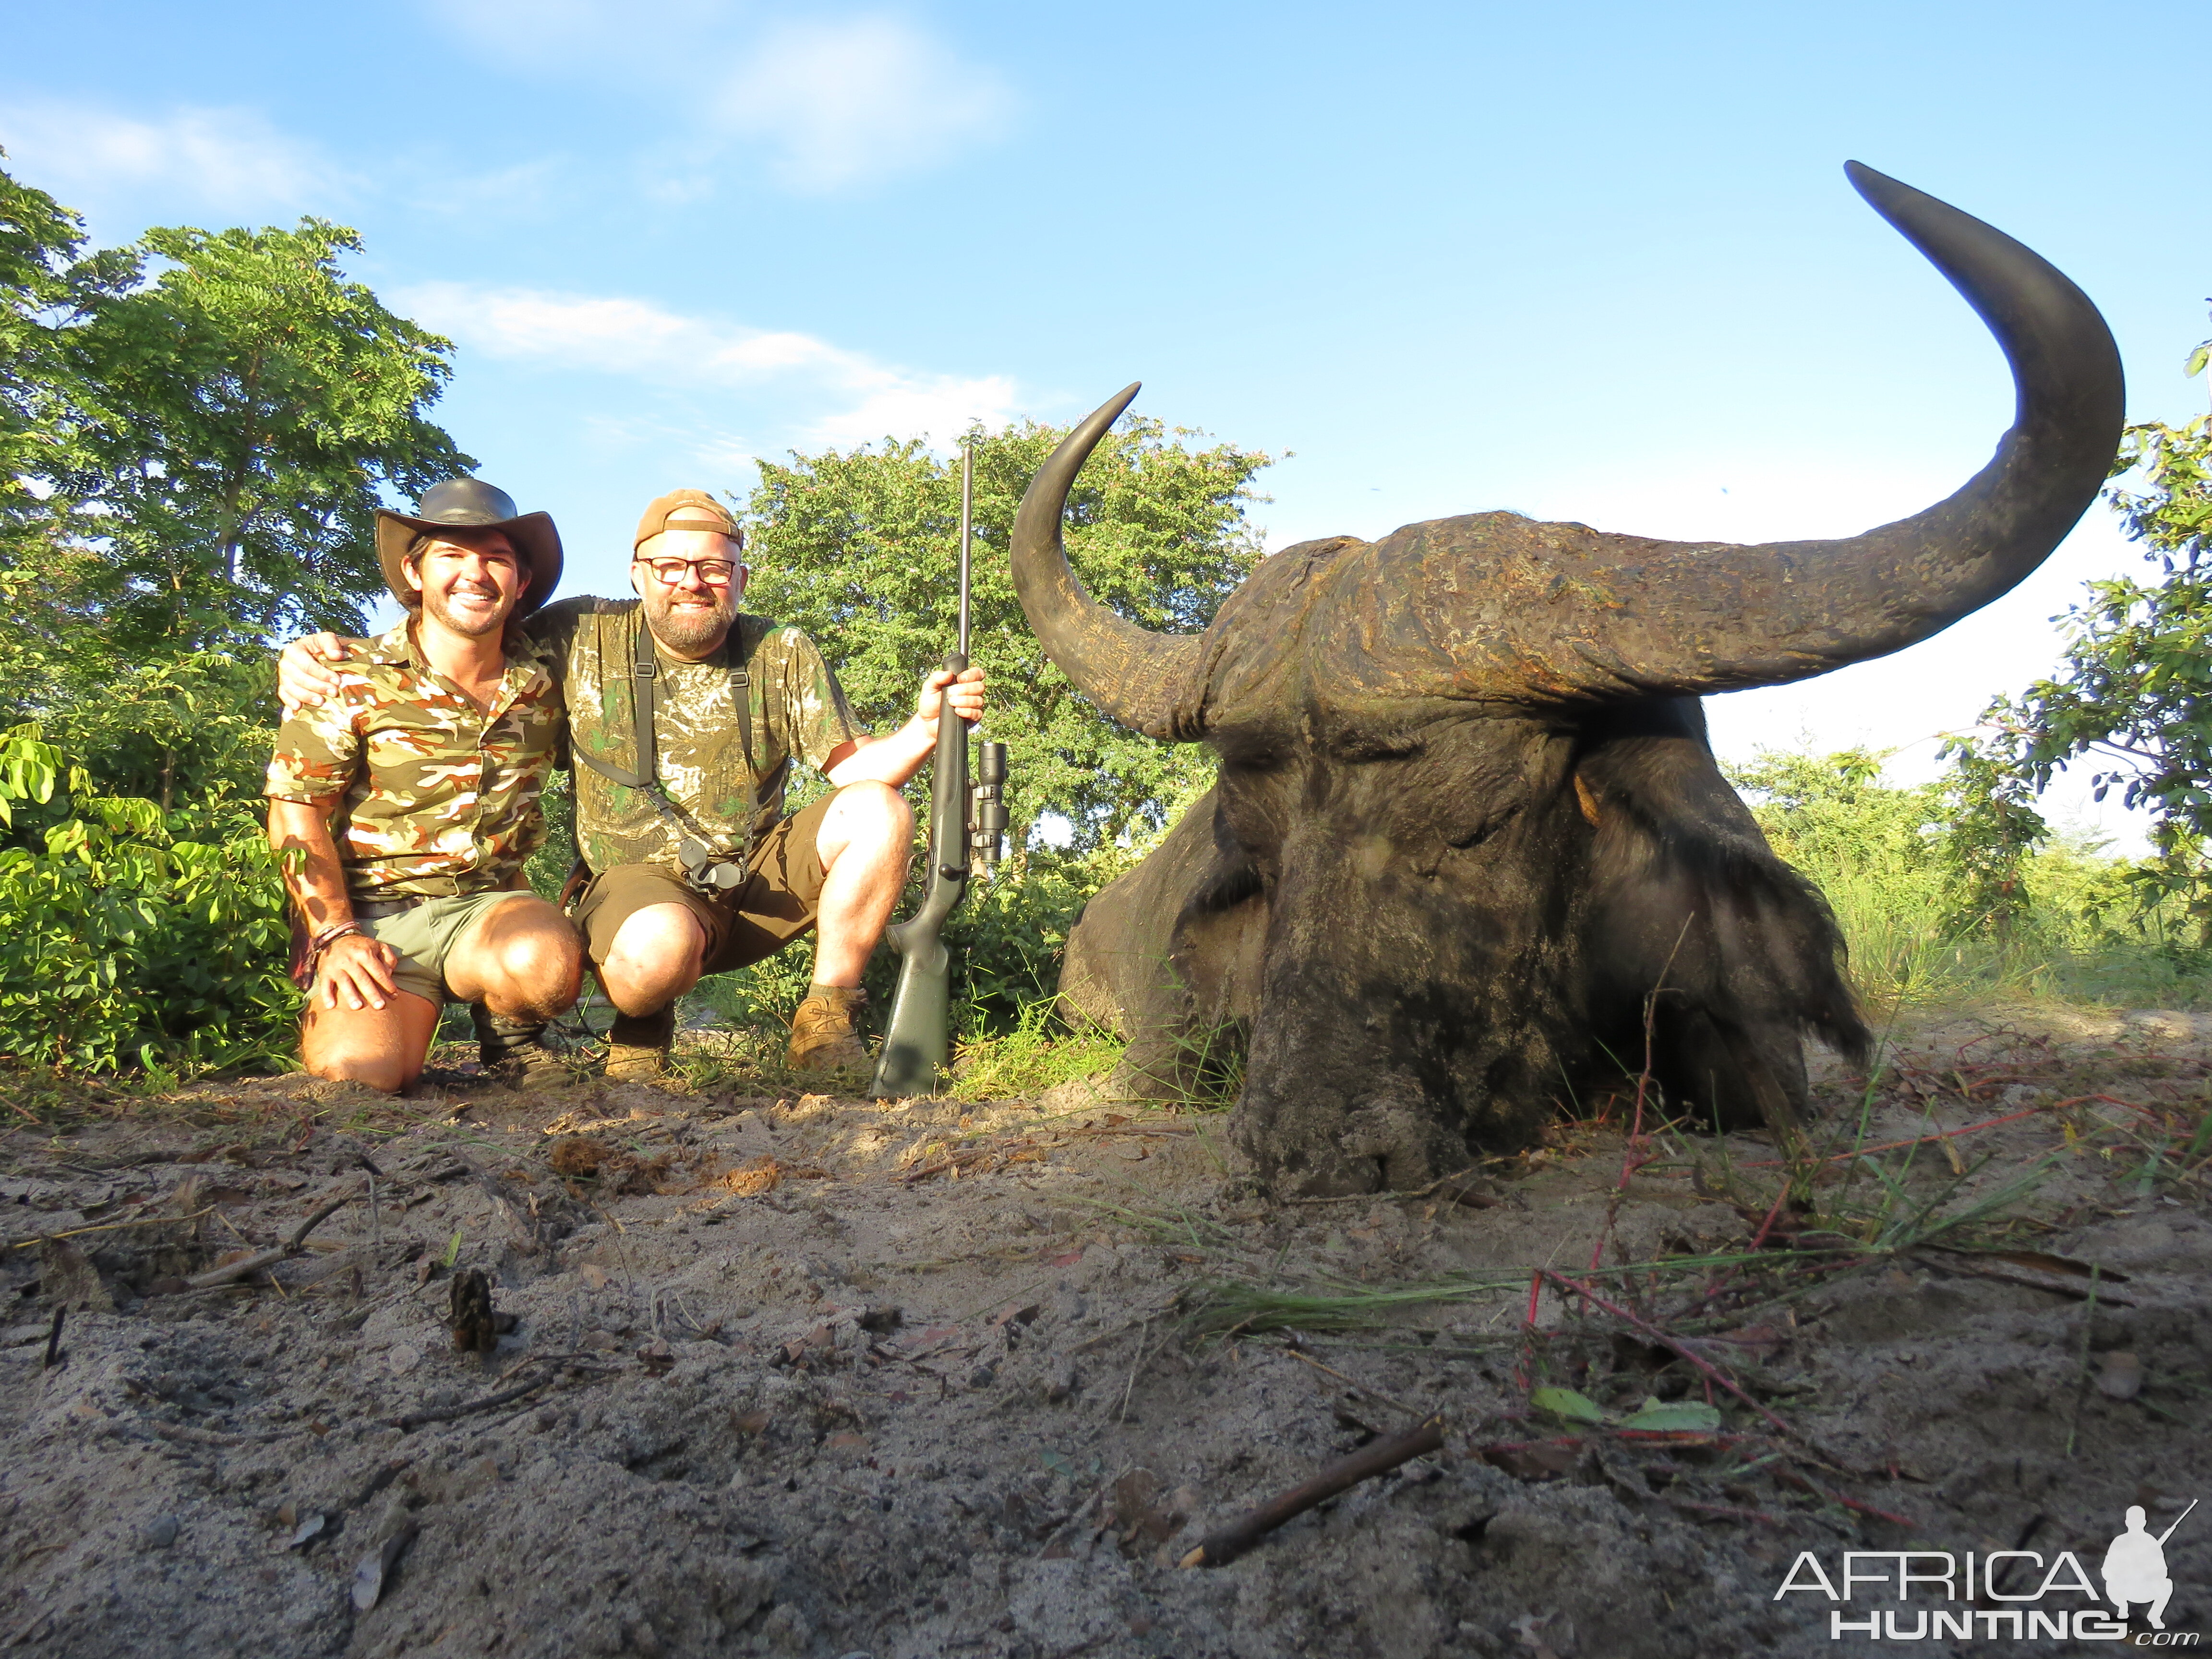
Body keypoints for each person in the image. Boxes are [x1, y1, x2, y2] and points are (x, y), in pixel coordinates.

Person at [280, 489, 986, 1082]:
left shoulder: (777, 649)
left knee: (880, 810)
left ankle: (827, 1020)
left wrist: (926, 727)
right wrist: (308, 655)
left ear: (740, 577)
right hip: (606, 898)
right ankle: (636, 1025)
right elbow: (305, 798)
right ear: (638, 572)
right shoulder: (572, 634)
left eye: (713, 566)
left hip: (741, 881)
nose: (691, 581)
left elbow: (854, 770)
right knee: (357, 1079)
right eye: (671, 564)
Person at [266, 479, 583, 1093]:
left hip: (489, 912)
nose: (477, 574)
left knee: (545, 964)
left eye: (497, 558)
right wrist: (333, 935)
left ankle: (511, 1038)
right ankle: (376, 1008)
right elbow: (295, 812)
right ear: (414, 572)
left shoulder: (548, 685)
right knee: (358, 1078)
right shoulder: (345, 677)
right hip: (374, 922)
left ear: (520, 582)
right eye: (453, 555)